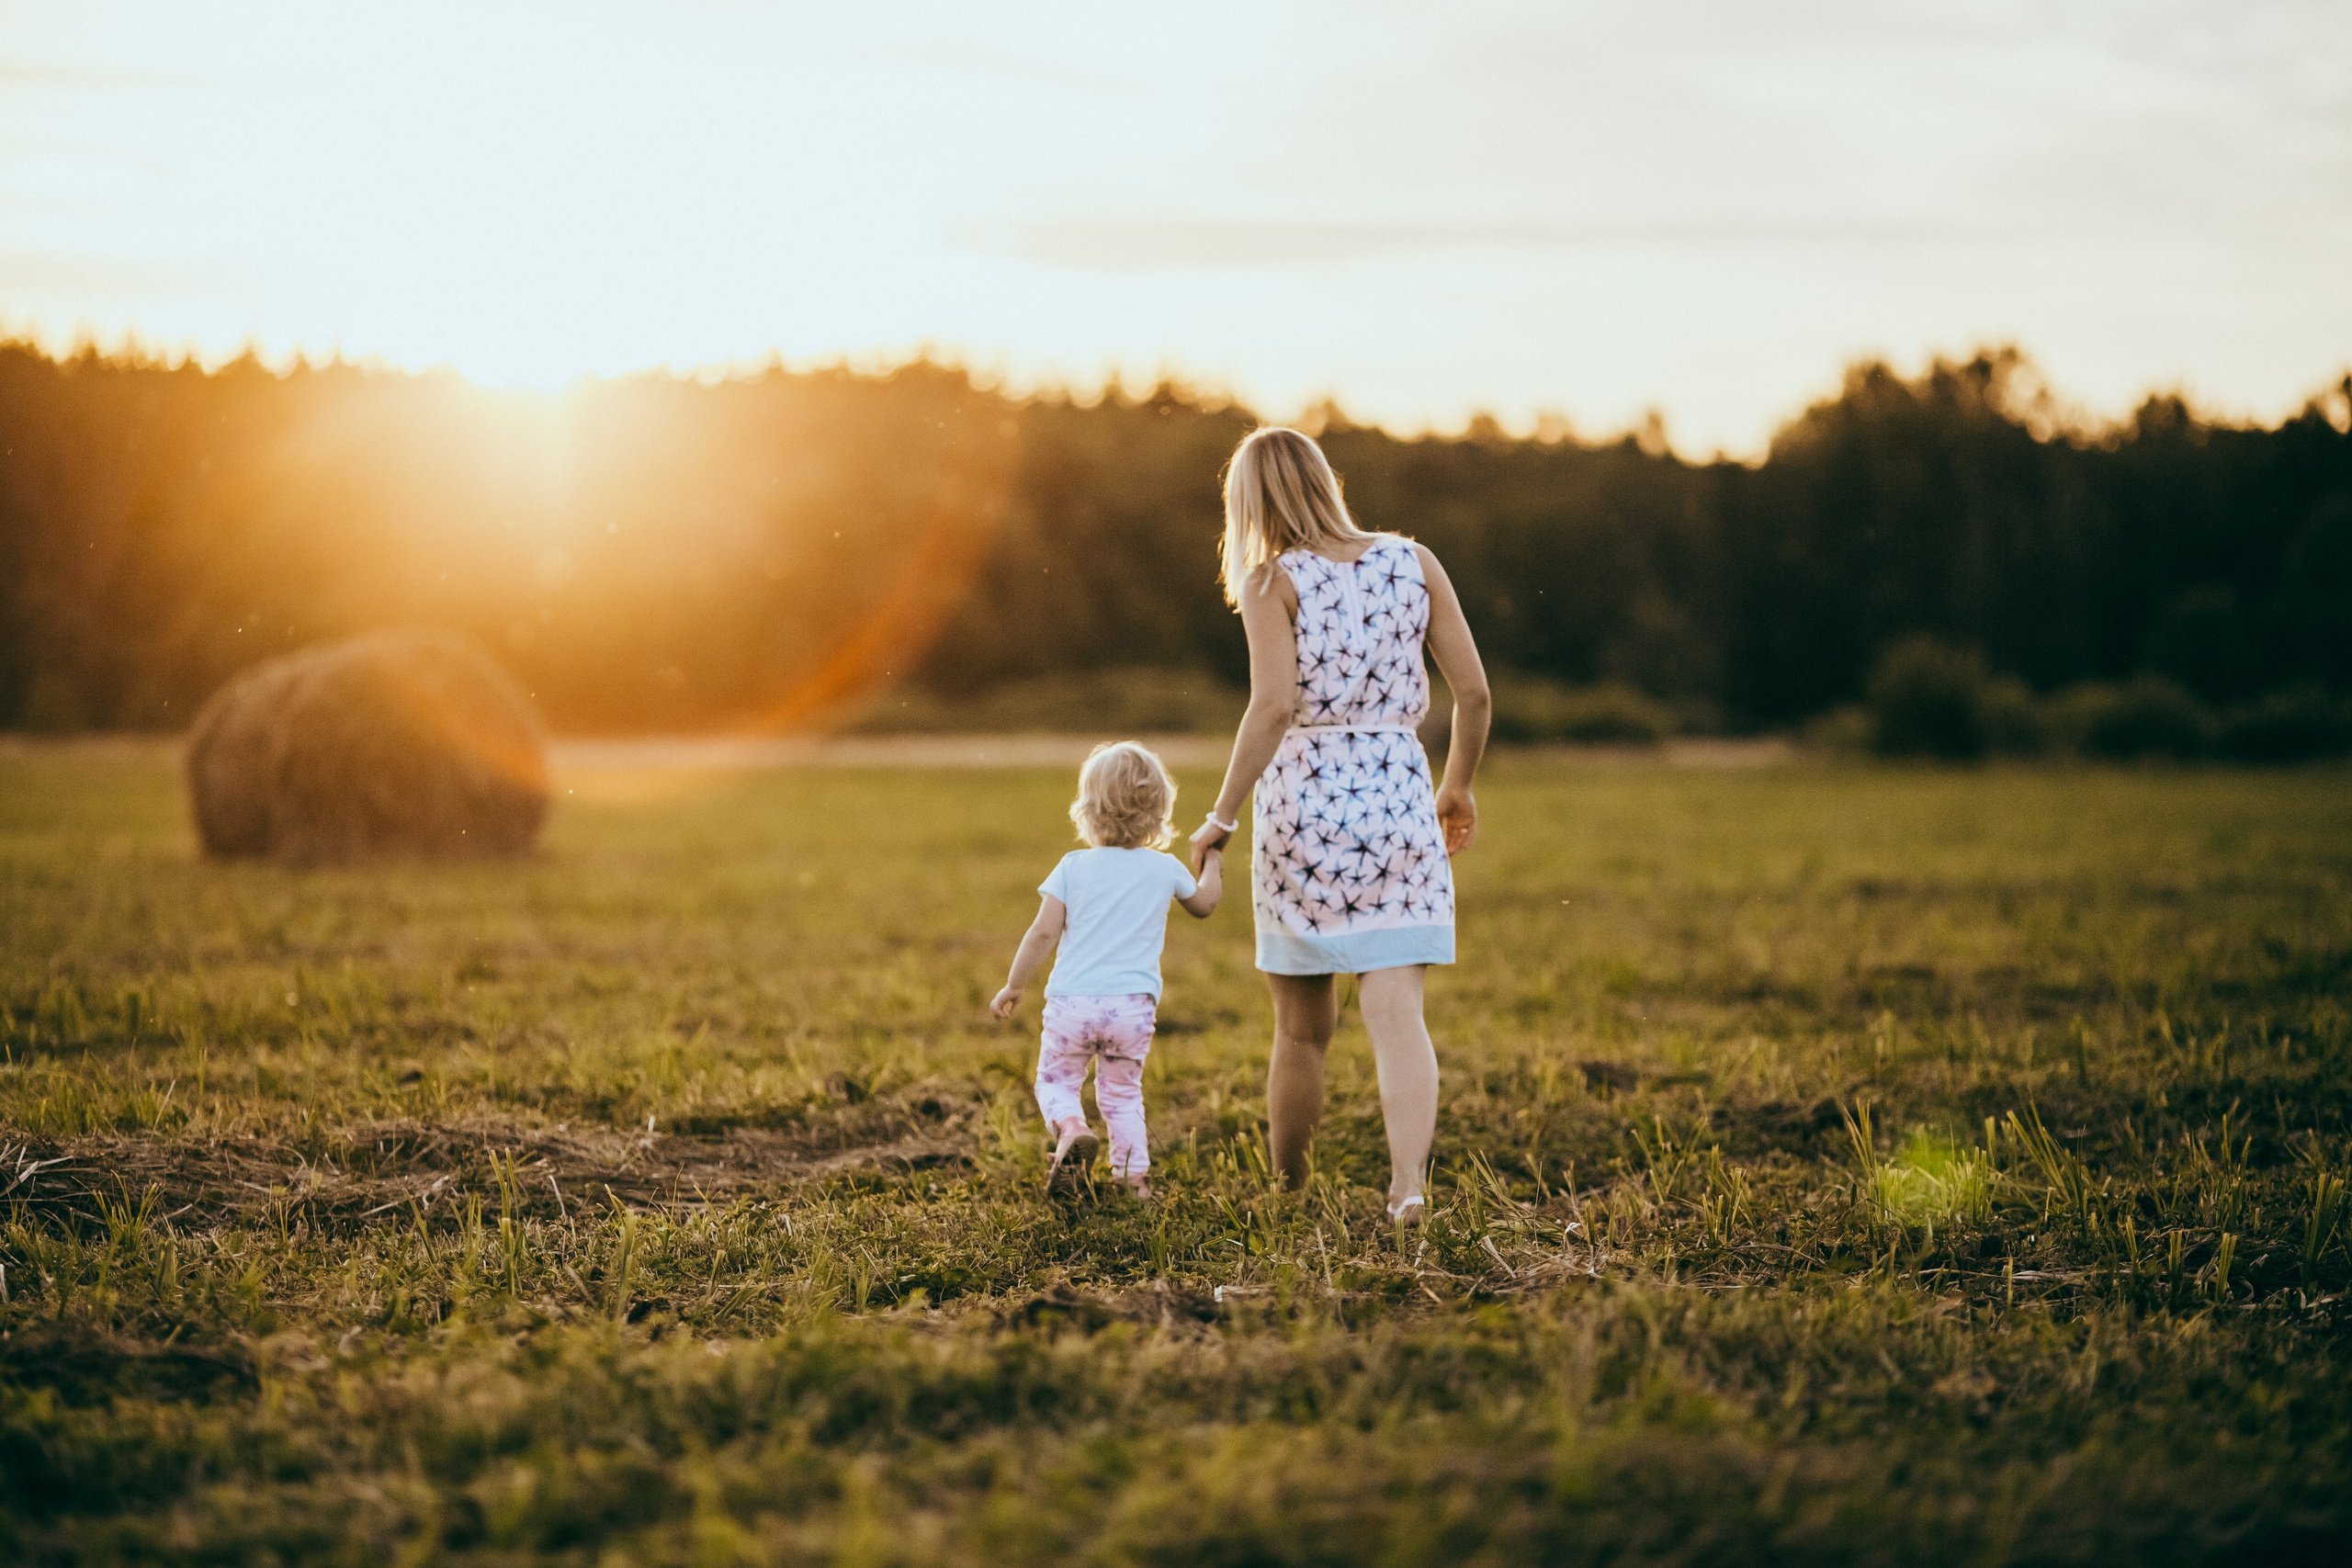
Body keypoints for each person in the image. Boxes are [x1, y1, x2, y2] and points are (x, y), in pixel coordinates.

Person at [1189, 426, 1490, 1224]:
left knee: (1301, 1029)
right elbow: (1475, 694)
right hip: (1399, 799)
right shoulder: (1414, 561)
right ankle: (1409, 1188)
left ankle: (1289, 1196)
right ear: (1325, 480)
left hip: (1308, 813)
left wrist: (1218, 820)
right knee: (1399, 1016)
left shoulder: (1269, 582)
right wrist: (1454, 785)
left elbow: (1274, 707)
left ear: (1247, 501)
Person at [992, 740, 1222, 1197]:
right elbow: (1205, 904)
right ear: (1159, 810)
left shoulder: (1072, 867)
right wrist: (1212, 861)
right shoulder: (1163, 867)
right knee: (1121, 1097)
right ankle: (1133, 1181)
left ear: (1087, 810)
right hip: (1132, 1008)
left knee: (1056, 1080)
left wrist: (1014, 985)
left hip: (1073, 1004)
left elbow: (1042, 934)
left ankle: (1072, 1128)